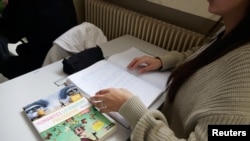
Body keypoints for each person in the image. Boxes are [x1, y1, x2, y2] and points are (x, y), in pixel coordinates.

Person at [90, 0, 250, 140]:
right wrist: (163, 61)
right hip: (164, 114)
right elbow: (203, 53)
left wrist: (130, 108)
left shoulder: (243, 91)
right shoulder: (231, 28)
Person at [0, 0, 77, 79]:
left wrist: (6, 10)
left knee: (4, 63)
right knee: (20, 48)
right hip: (69, 51)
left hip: (47, 62)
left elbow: (11, 35)